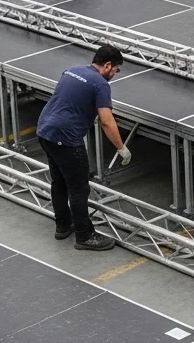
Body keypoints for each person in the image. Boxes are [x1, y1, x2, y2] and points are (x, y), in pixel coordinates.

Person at [36, 44, 133, 251]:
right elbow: (106, 120)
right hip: (67, 138)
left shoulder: (71, 70)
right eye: (116, 70)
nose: (115, 75)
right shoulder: (100, 85)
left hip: (45, 131)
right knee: (79, 188)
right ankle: (85, 235)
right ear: (108, 65)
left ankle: (63, 225)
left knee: (59, 181)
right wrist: (120, 147)